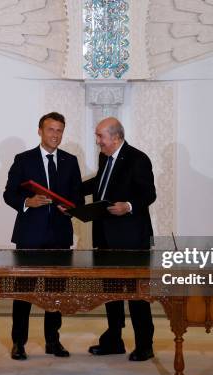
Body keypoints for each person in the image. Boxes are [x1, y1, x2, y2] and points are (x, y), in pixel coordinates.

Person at [3, 112, 84, 360]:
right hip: (29, 236)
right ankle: (19, 343)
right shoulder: (23, 160)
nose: (55, 135)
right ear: (40, 131)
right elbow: (9, 194)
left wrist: (70, 208)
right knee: (23, 293)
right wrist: (28, 201)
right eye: (51, 130)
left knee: (55, 293)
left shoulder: (70, 161)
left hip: (59, 236)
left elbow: (78, 198)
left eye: (59, 130)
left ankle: (53, 341)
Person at [82, 117, 156, 361]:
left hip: (132, 238)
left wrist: (129, 205)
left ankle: (145, 344)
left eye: (100, 136)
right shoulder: (105, 158)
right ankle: (114, 340)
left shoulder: (138, 158)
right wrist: (69, 190)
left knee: (136, 294)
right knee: (110, 292)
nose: (98, 142)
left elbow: (149, 194)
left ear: (115, 137)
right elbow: (98, 184)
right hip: (104, 235)